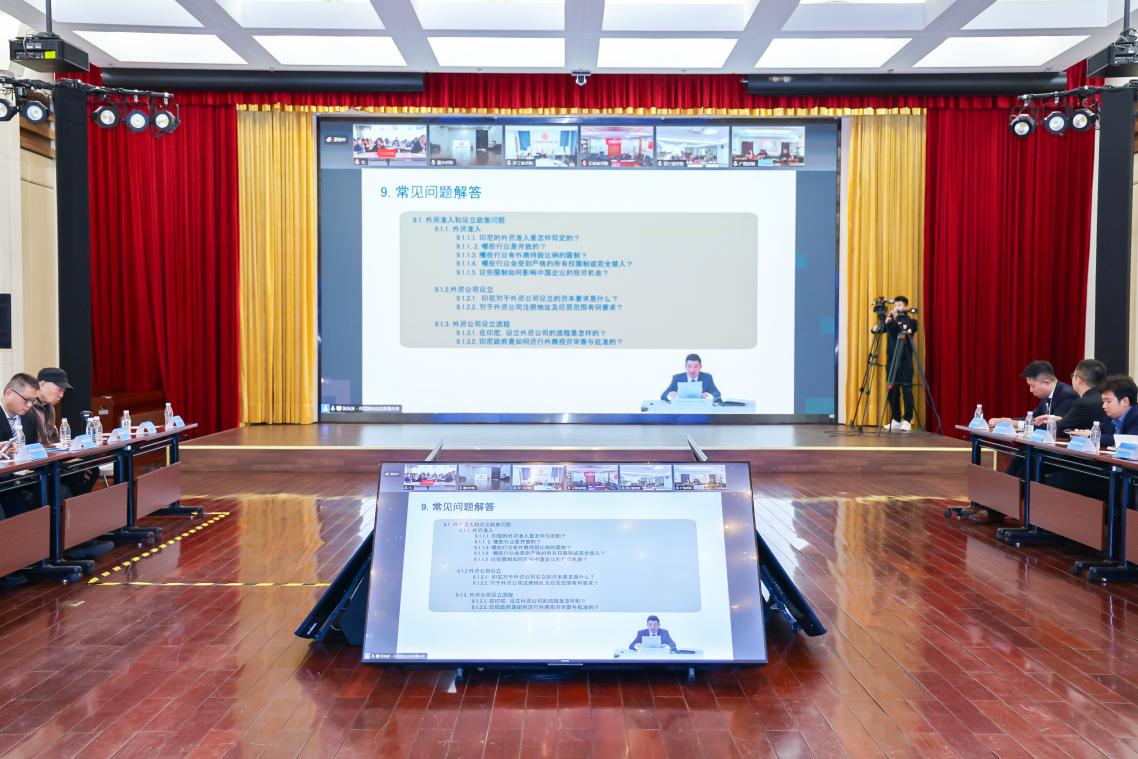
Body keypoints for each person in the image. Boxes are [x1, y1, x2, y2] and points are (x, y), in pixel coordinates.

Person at [1039, 360, 1114, 445]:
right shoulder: (1106, 398)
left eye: (1073, 376)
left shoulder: (1082, 403)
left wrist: (1047, 423)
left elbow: (1058, 430)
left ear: (1078, 380)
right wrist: (1060, 419)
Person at [872, 296, 918, 432]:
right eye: (895, 305)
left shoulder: (912, 322)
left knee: (906, 389)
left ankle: (907, 420)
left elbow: (908, 330)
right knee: (892, 390)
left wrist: (898, 319)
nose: (897, 308)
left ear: (905, 306)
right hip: (891, 361)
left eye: (900, 305)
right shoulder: (890, 322)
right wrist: (885, 321)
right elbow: (875, 330)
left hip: (905, 361)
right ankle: (896, 419)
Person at [989, 360, 1079, 429]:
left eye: (1032, 386)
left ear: (1046, 383)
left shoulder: (1067, 396)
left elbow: (1053, 426)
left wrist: (1015, 423)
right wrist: (1006, 420)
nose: (1031, 390)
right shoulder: (1045, 396)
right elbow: (1033, 419)